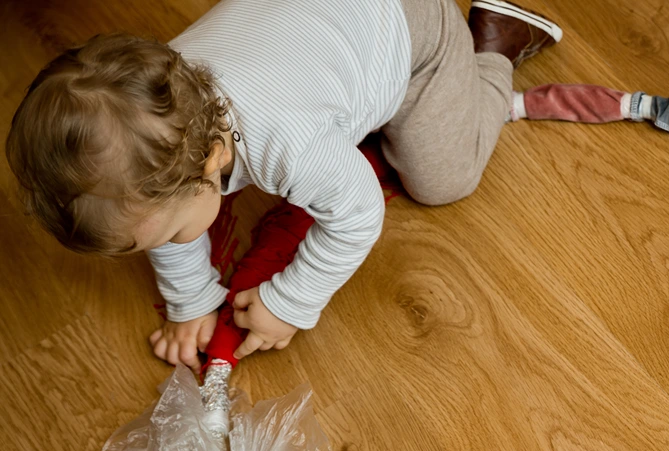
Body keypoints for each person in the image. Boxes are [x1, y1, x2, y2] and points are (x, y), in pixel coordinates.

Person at [6, 0, 561, 371]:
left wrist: (292, 302)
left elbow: (359, 213)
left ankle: (493, 49)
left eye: (170, 236)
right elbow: (163, 216)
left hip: (412, 25)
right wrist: (191, 299)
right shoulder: (154, 100)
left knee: (444, 175)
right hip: (314, 21)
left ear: (213, 160)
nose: (171, 246)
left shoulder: (284, 140)